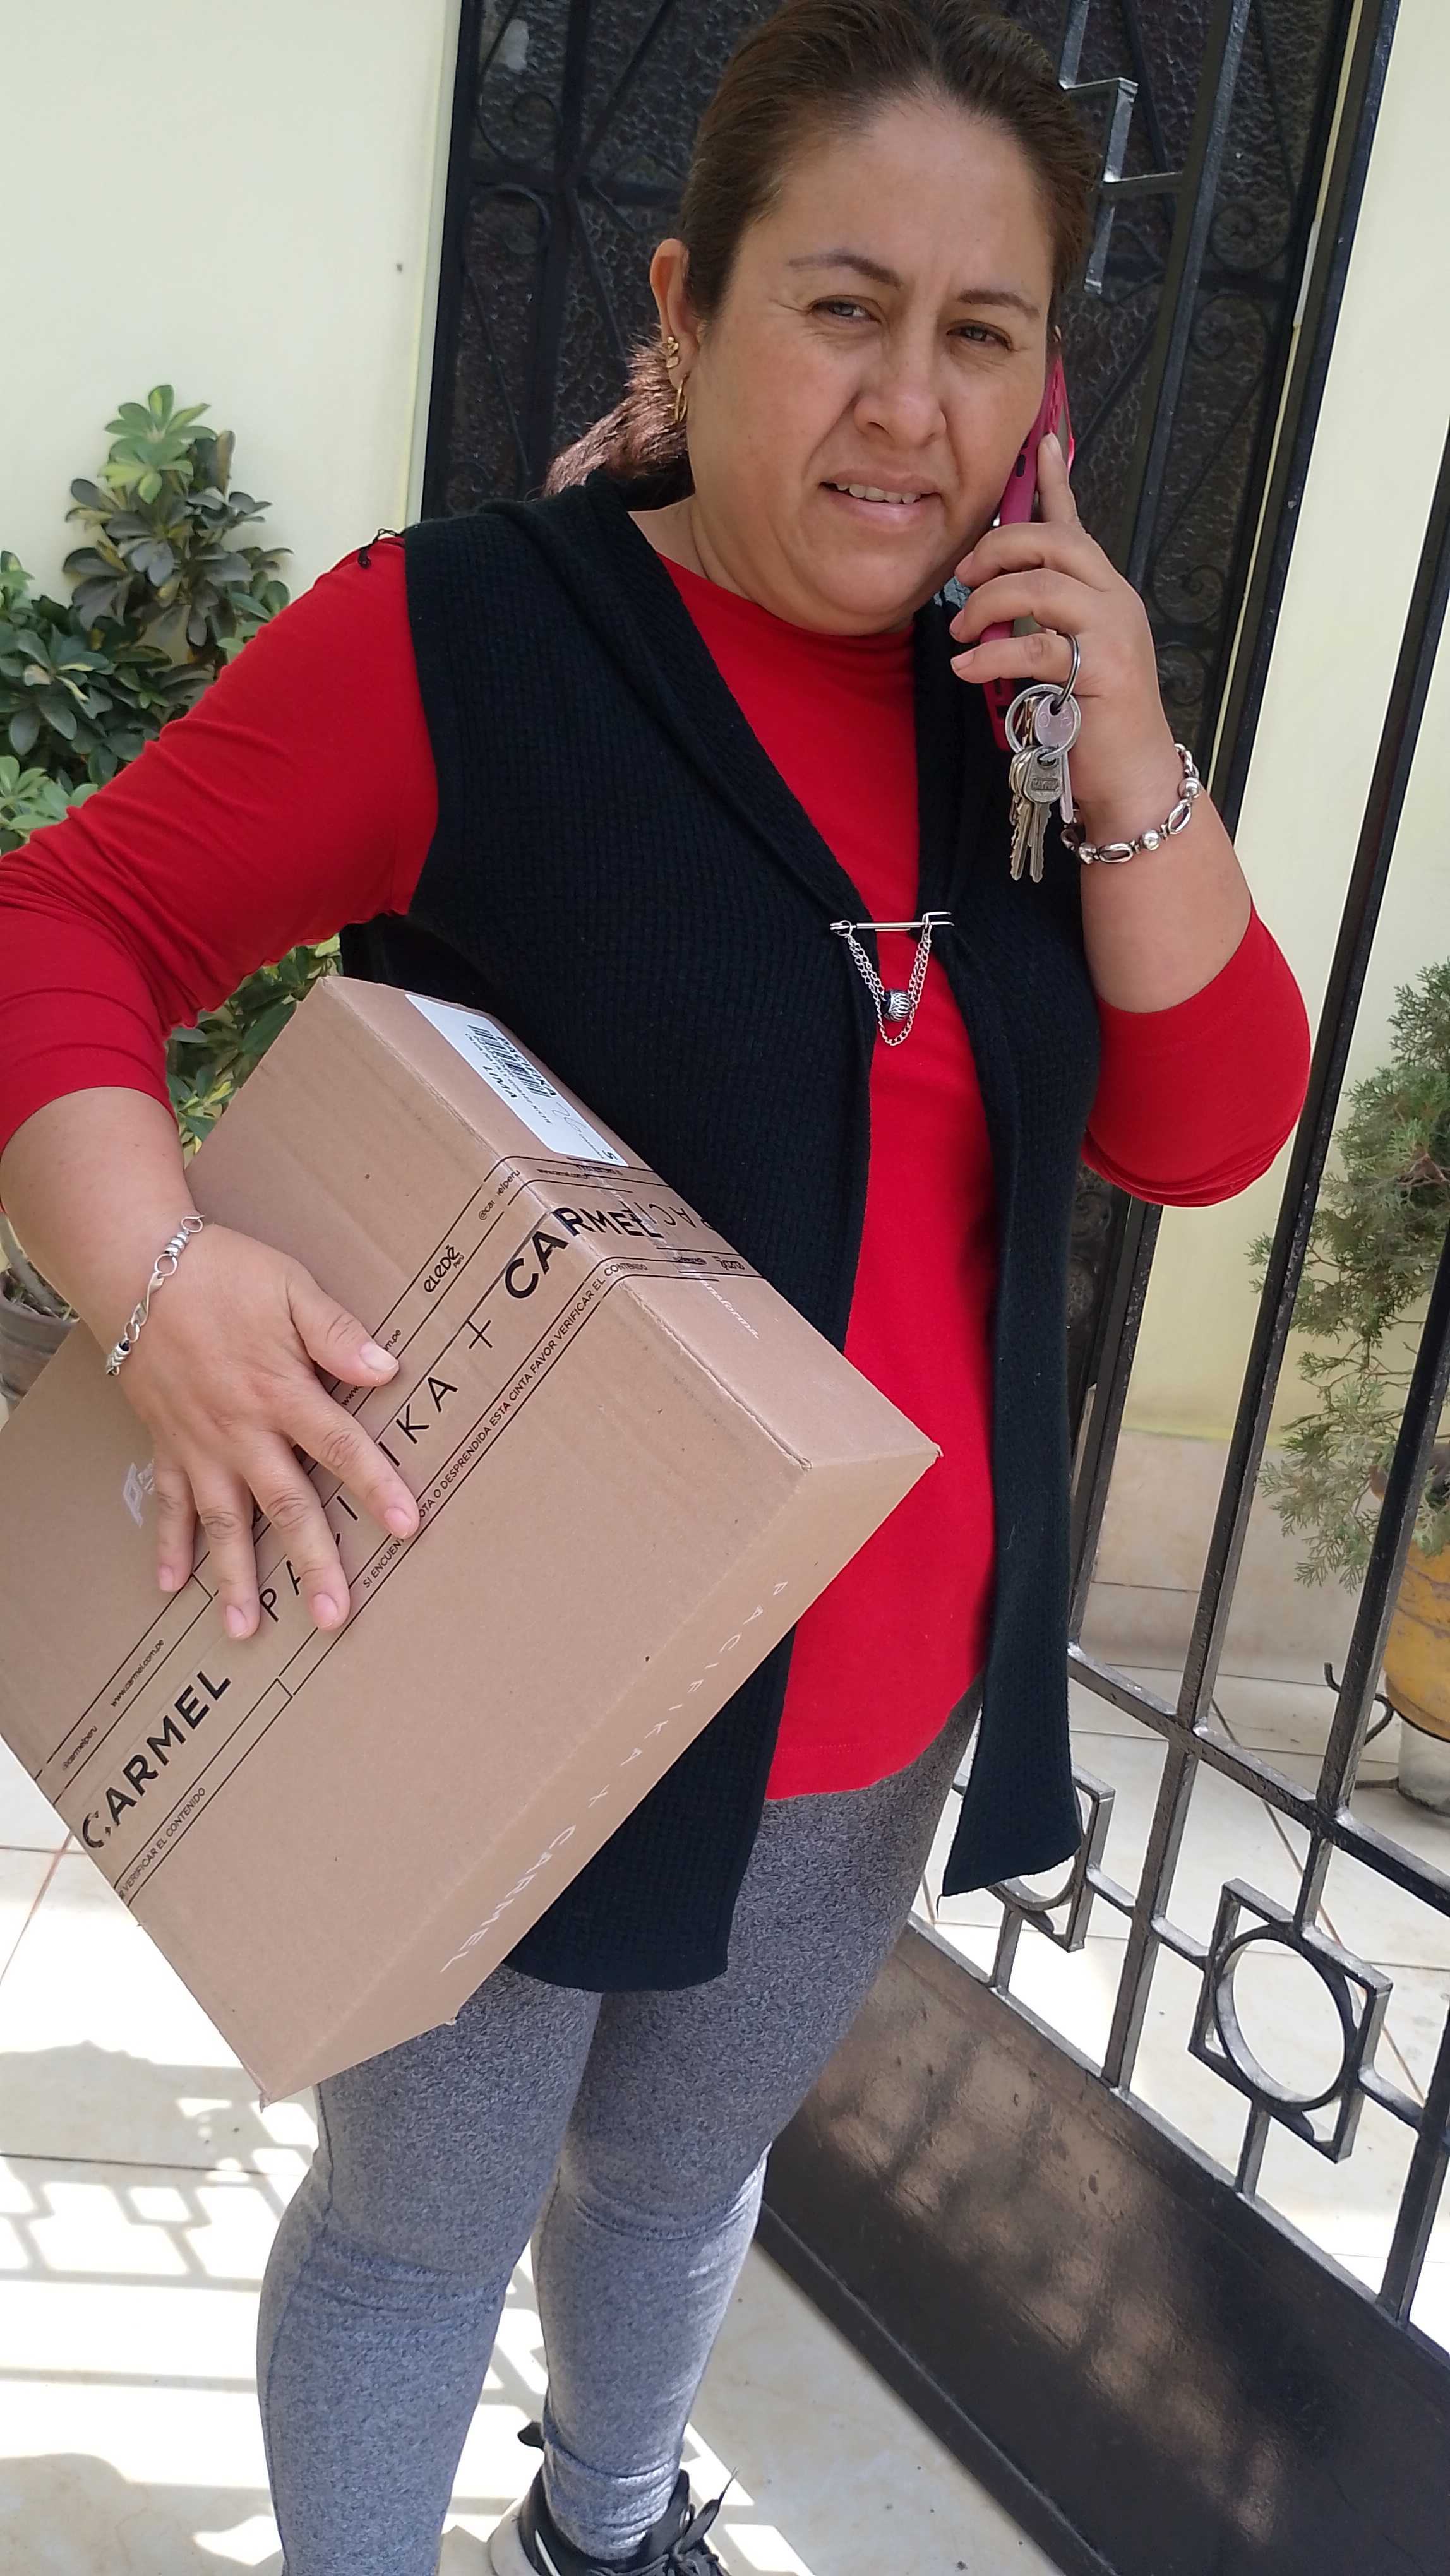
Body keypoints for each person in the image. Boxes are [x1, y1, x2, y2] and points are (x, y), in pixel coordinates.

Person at [0, 5, 1310, 2570]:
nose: (909, 407)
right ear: (688, 308)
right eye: (843, 306)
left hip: (873, 1702)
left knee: (688, 2178)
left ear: (1049, 387)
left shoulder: (1023, 718)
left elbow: (1201, 1126)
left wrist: (1131, 744)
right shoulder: (472, 643)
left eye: (984, 333)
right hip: (513, 1673)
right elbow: (66, 922)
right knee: (419, 2228)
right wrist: (157, 1285)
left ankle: (608, 2523)